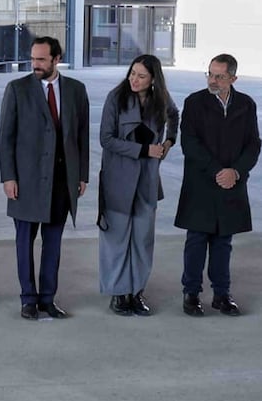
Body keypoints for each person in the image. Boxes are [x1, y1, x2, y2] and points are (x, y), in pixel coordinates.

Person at [0, 36, 89, 320]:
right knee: (24, 243)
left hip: (62, 182)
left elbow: (82, 137)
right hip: (25, 181)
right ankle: (28, 299)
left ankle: (48, 299)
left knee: (53, 244)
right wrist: (8, 177)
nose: (34, 64)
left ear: (56, 59)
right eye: (33, 58)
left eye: (41, 59)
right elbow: (6, 138)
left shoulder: (76, 90)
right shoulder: (17, 89)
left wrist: (82, 175)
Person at [175, 54, 260, 317]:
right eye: (210, 74)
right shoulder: (194, 103)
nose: (212, 80)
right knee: (197, 239)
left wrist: (235, 172)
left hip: (231, 183)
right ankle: (191, 294)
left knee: (224, 241)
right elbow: (189, 143)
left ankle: (222, 295)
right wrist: (217, 171)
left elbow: (253, 144)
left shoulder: (246, 104)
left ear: (233, 78)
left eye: (219, 76)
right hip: (202, 182)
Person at [97, 54, 178, 316]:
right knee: (117, 239)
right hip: (118, 179)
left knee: (143, 239)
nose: (134, 79)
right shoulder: (115, 97)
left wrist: (168, 143)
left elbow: (174, 115)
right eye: (132, 73)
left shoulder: (161, 99)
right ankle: (119, 293)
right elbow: (106, 139)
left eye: (141, 76)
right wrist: (145, 150)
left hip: (147, 180)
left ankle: (137, 291)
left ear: (153, 79)